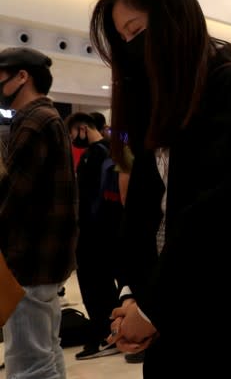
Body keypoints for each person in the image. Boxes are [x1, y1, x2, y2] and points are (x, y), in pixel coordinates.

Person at [92, 0, 231, 377]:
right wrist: (131, 296)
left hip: (226, 317)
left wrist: (150, 308)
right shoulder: (162, 105)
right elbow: (145, 212)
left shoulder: (230, 87)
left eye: (136, 30)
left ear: (173, 19)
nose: (130, 47)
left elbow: (215, 218)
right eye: (123, 38)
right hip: (172, 318)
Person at [0, 47, 77, 379]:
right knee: (46, 349)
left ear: (22, 76)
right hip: (46, 258)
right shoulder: (48, 118)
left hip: (27, 259)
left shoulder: (33, 120)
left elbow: (14, 197)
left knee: (28, 362)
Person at [65, 112, 122, 360]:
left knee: (94, 286)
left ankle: (103, 334)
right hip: (112, 230)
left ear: (83, 128)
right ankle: (111, 332)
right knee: (106, 285)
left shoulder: (93, 155)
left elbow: (86, 199)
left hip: (93, 232)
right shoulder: (115, 150)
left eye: (74, 133)